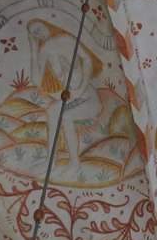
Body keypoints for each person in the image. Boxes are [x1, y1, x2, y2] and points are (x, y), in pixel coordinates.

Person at [27, 18, 104, 171]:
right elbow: (37, 80)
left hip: (88, 98)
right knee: (52, 112)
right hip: (74, 98)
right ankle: (51, 162)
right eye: (34, 33)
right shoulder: (45, 50)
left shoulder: (66, 39)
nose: (38, 33)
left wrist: (82, 86)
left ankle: (74, 163)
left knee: (65, 116)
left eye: (39, 27)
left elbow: (87, 59)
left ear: (46, 24)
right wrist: (34, 49)